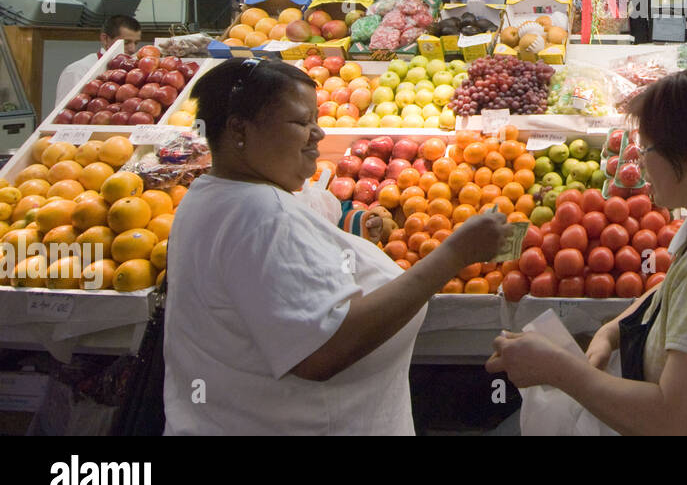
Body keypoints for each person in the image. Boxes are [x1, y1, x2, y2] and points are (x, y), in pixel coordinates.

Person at [163, 57, 508, 435]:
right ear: (239, 130)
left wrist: (352, 229)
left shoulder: (215, 194)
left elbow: (283, 269)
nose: (318, 134)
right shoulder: (260, 215)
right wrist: (454, 255)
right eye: (300, 122)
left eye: (315, 119)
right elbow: (323, 350)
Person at [486, 69, 687, 435]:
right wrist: (609, 334)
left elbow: (675, 421)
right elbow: (667, 293)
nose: (641, 163)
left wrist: (559, 369)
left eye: (647, 149)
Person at [54, 14, 142, 104]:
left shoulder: (136, 72)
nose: (132, 49)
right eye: (126, 42)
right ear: (105, 39)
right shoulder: (78, 70)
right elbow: (62, 114)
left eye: (136, 43)